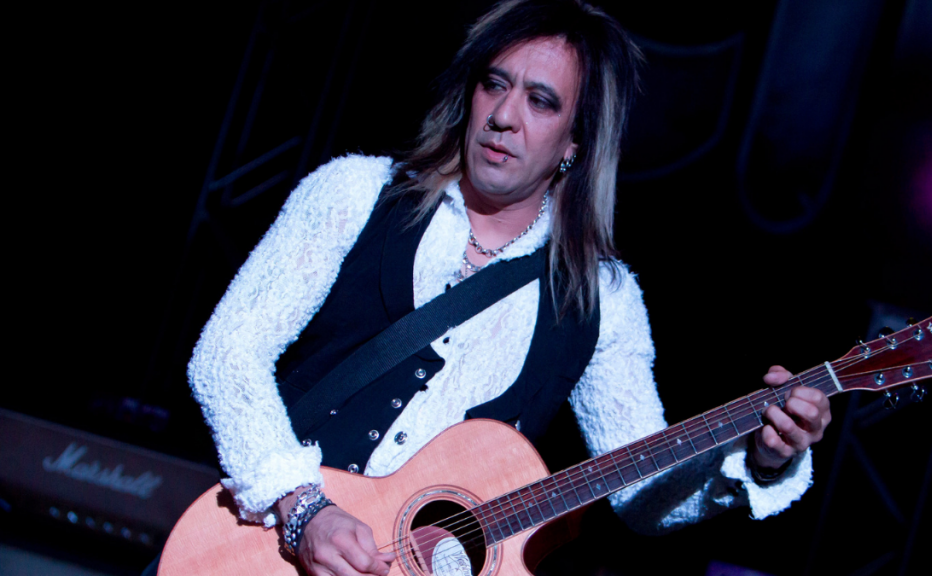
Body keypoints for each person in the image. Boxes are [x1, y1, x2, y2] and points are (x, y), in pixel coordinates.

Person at [187, 1, 832, 575]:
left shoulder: (600, 301)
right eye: (494, 85)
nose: (503, 116)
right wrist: (304, 510)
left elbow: (641, 494)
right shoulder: (355, 194)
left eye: (541, 101)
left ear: (575, 142)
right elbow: (225, 356)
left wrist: (761, 459)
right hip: (258, 553)